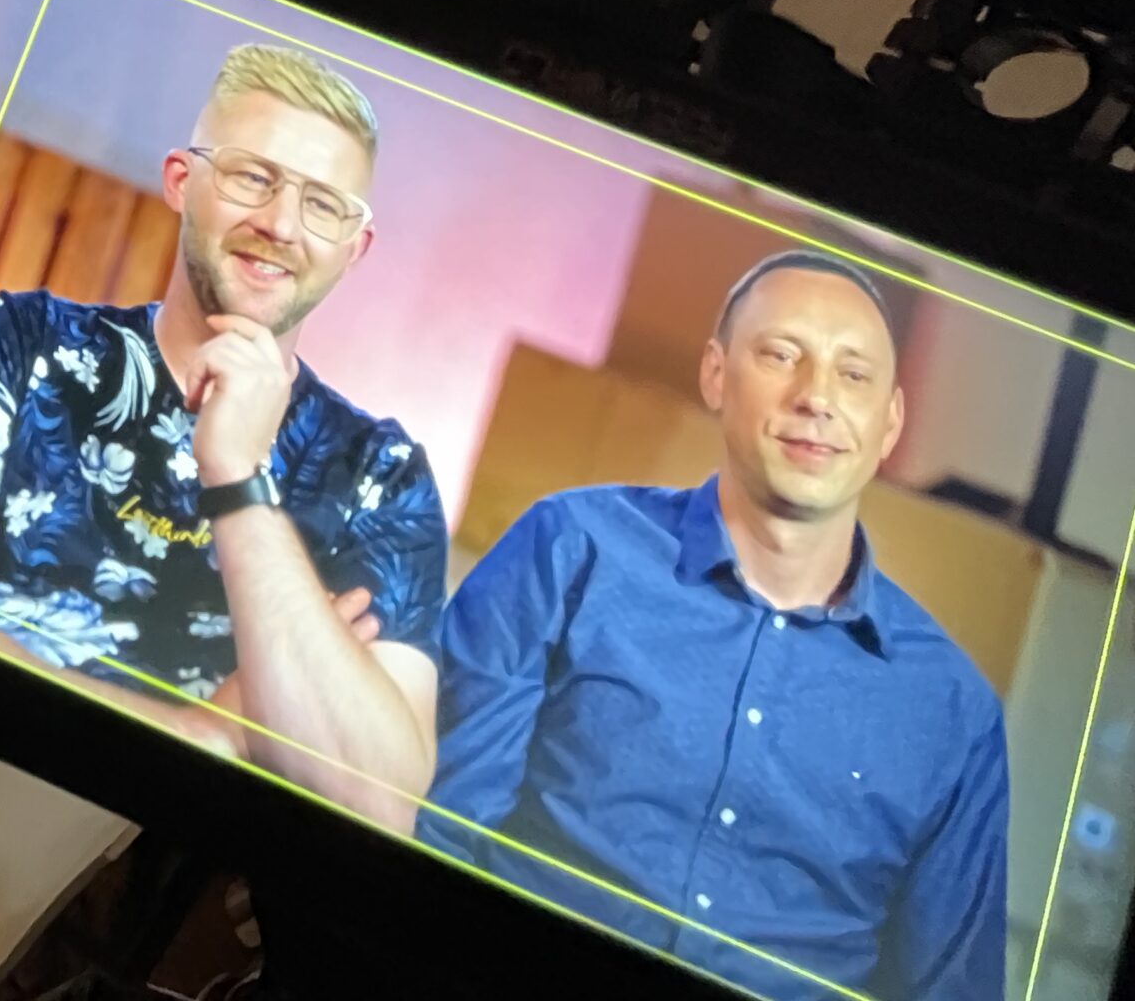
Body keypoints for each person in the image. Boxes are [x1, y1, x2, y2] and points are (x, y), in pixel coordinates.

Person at [0, 45, 447, 833]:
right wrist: (194, 734)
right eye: (252, 176)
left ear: (355, 249)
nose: (281, 224)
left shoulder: (382, 475)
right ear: (182, 182)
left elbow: (378, 802)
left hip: (155, 862)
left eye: (323, 204)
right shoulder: (19, 342)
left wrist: (239, 478)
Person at [425, 251, 1008, 1001]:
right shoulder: (569, 549)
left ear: (889, 421)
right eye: (782, 355)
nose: (816, 397)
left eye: (853, 374)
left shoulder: (953, 713)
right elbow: (437, 830)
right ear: (716, 374)